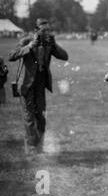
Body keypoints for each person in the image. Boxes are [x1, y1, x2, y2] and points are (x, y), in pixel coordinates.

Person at [8, 18, 68, 155]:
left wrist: (55, 45)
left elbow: (65, 56)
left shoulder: (49, 43)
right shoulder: (26, 41)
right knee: (29, 118)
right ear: (36, 30)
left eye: (48, 30)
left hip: (40, 86)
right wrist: (29, 47)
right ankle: (31, 150)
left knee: (41, 117)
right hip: (26, 86)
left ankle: (39, 147)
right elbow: (11, 56)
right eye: (44, 30)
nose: (47, 32)